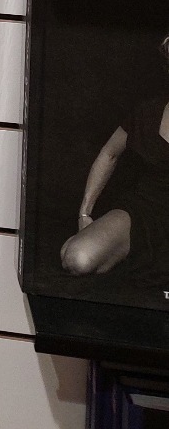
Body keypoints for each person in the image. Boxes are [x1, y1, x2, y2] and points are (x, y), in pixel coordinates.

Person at [61, 35, 169, 283]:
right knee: (77, 259)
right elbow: (109, 154)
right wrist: (84, 214)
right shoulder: (148, 112)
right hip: (146, 212)